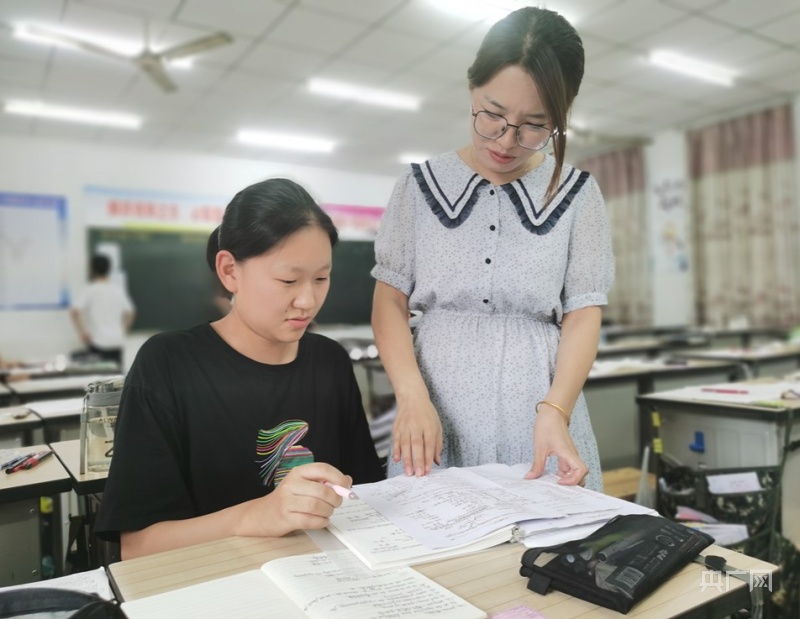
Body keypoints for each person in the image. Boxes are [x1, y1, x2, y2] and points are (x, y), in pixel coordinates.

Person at [371, 7, 614, 492]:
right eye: (493, 115)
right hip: (435, 404)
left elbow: (583, 313)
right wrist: (411, 396)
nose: (506, 141)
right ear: (471, 90)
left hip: (541, 408)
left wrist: (556, 409)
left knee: (551, 552)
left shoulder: (578, 194)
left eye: (534, 125)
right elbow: (389, 302)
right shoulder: (417, 187)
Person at [94, 178, 384, 559]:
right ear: (230, 271)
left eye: (321, 278)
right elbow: (139, 547)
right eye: (288, 280)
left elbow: (361, 493)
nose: (307, 300)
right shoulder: (169, 365)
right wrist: (257, 515)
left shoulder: (328, 361)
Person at [70, 254, 135, 368]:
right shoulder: (117, 289)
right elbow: (130, 312)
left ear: (92, 270)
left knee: (98, 380)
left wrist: (83, 332)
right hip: (117, 341)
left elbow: (75, 311)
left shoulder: (90, 289)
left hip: (98, 341)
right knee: (116, 379)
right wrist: (122, 329)